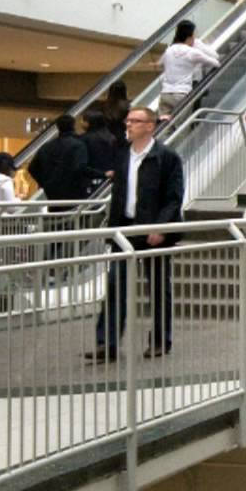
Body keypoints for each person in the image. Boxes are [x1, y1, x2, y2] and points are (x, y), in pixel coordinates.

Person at [88, 108, 184, 363]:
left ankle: (161, 340)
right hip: (125, 228)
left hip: (153, 231)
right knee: (115, 285)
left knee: (158, 287)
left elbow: (174, 198)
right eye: (128, 120)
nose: (128, 125)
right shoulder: (123, 157)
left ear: (150, 126)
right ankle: (106, 343)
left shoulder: (166, 157)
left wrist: (160, 227)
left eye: (135, 121)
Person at [158, 18, 220, 117]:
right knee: (183, 125)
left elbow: (161, 63)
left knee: (164, 125)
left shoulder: (169, 49)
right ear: (190, 36)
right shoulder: (193, 49)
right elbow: (215, 61)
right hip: (183, 92)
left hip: (165, 93)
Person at [30, 114, 91, 200]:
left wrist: (45, 183)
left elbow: (32, 168)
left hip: (53, 193)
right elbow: (80, 168)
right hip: (74, 192)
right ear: (73, 126)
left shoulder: (47, 147)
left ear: (57, 127)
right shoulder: (79, 145)